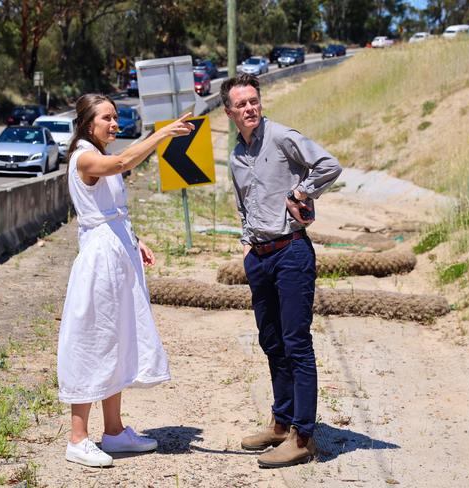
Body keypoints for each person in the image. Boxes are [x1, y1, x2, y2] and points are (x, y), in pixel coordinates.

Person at [57, 94, 194, 468]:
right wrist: (162, 135)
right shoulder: (85, 156)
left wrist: (135, 241)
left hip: (118, 256)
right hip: (99, 262)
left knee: (116, 339)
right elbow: (119, 162)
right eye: (107, 118)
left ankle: (114, 431)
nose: (115, 123)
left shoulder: (96, 153)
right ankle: (77, 437)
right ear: (88, 124)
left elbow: (111, 211)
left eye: (116, 117)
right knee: (93, 341)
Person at [220, 74, 342, 468]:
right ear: (229, 112)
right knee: (271, 341)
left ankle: (303, 437)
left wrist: (300, 193)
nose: (250, 109)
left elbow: (328, 164)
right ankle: (281, 423)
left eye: (254, 101)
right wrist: (246, 245)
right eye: (241, 104)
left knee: (296, 344)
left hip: (291, 253)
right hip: (259, 257)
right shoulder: (236, 155)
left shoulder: (281, 136)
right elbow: (244, 204)